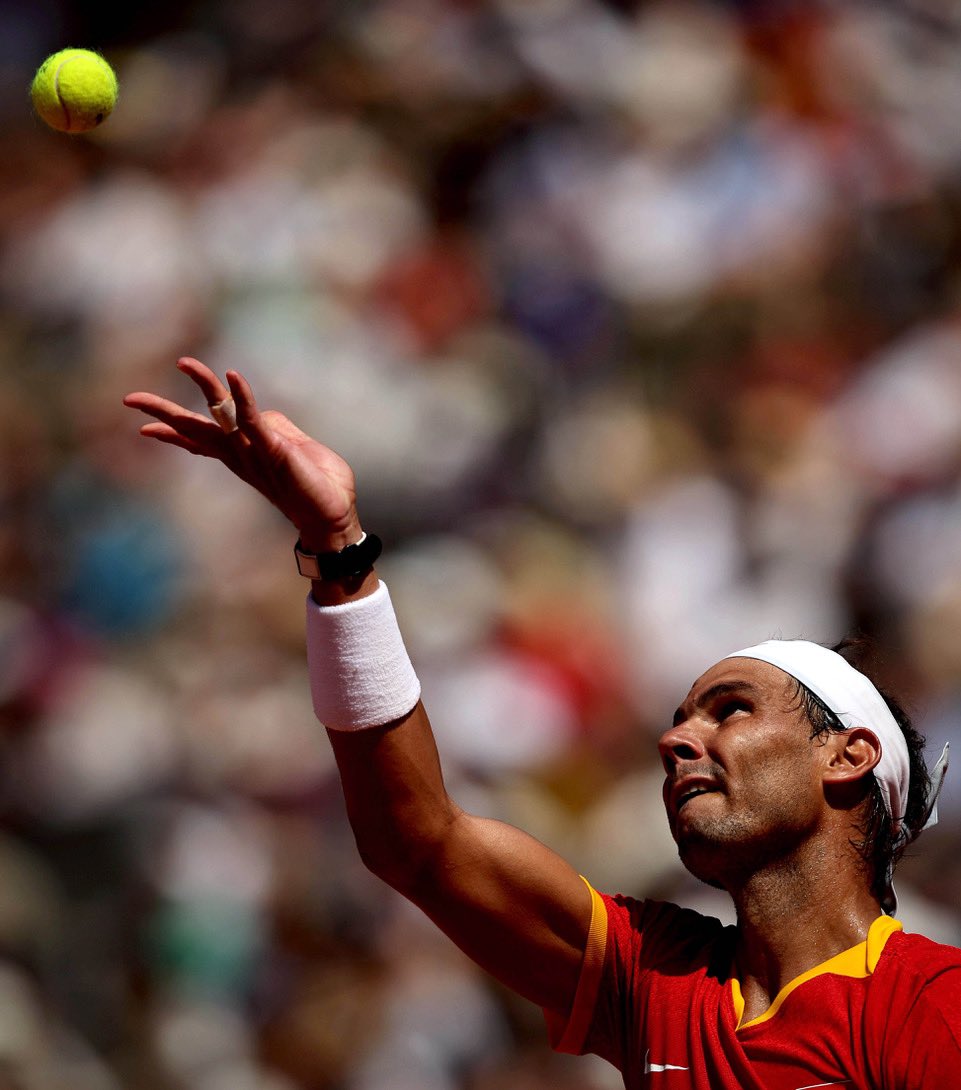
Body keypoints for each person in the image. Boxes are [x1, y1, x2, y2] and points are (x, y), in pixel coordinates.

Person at [124, 358, 961, 1090]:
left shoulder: (934, 1005)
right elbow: (415, 841)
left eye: (730, 709)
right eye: (676, 719)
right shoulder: (659, 977)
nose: (674, 741)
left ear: (846, 757)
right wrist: (337, 551)